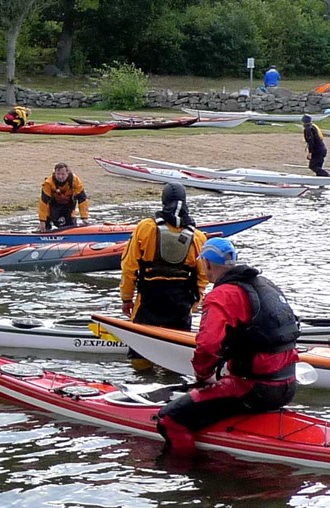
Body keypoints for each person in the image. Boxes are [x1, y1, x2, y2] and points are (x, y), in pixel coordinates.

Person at [156, 237, 300, 456]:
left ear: (208, 264)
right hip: (288, 385)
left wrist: (203, 378)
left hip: (253, 389)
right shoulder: (266, 284)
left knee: (169, 419)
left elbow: (207, 346)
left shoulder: (221, 295)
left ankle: (189, 475)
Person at [120, 182, 209, 370]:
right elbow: (203, 276)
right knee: (175, 359)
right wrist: (194, 304)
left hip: (149, 301)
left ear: (163, 201)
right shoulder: (199, 237)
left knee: (140, 357)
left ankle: (142, 385)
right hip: (180, 304)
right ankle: (172, 388)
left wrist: (126, 298)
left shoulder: (145, 228)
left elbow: (129, 267)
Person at [38, 162, 90, 232]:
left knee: (70, 227)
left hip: (68, 207)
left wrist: (84, 218)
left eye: (63, 174)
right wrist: (42, 221)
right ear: (54, 173)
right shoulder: (48, 183)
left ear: (67, 173)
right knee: (45, 226)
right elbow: (43, 202)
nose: (60, 177)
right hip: (53, 206)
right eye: (58, 174)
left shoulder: (75, 181)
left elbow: (82, 200)